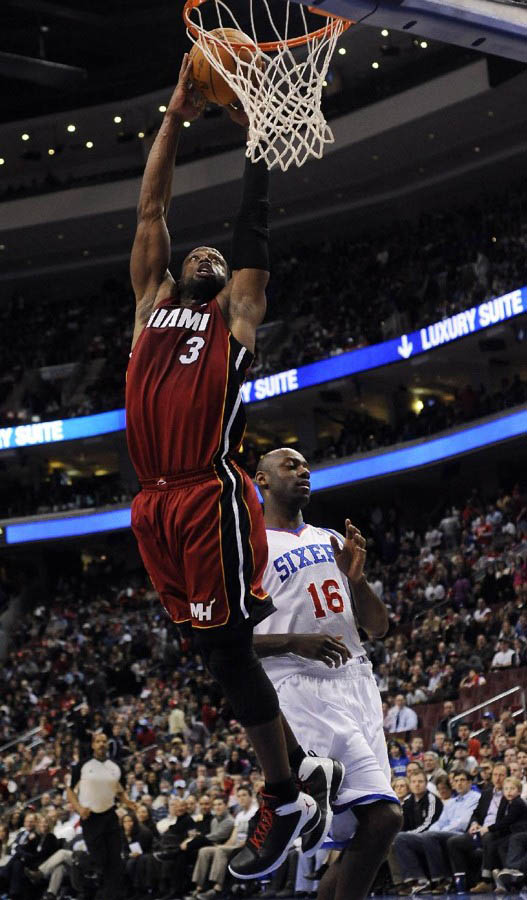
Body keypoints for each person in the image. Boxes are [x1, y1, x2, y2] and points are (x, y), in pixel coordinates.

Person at [125, 54, 336, 881]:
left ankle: (283, 796)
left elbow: (252, 235)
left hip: (207, 490)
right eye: (196, 252)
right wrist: (175, 112)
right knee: (211, 647)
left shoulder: (233, 321)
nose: (210, 256)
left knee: (225, 650)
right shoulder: (148, 305)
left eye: (220, 260)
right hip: (151, 505)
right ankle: (294, 775)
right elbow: (151, 206)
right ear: (176, 267)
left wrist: (257, 142)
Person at [253, 447, 402, 900]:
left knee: (364, 834)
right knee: (385, 818)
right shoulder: (248, 550)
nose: (303, 472)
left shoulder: (331, 538)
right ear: (261, 479)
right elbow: (225, 645)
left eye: (305, 466)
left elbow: (378, 627)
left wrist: (358, 582)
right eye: (290, 466)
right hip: (300, 688)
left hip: (357, 680)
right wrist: (295, 641)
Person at [66, 731, 137, 900]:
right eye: (98, 741)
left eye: (104, 741)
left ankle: (111, 896)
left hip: (110, 816)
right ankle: (93, 891)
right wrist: (79, 808)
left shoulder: (116, 766)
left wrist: (128, 802)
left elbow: (119, 791)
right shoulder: (82, 765)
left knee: (115, 861)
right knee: (99, 860)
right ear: (93, 745)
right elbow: (70, 791)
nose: (102, 744)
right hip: (90, 818)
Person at [393, 771, 480, 894]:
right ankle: (419, 880)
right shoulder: (452, 802)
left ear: (470, 783)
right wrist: (431, 832)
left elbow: (463, 823)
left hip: (461, 834)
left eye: (462, 780)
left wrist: (434, 832)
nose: (459, 783)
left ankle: (441, 879)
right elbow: (440, 822)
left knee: (430, 835)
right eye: (456, 781)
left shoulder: (475, 797)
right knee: (400, 838)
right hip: (440, 834)